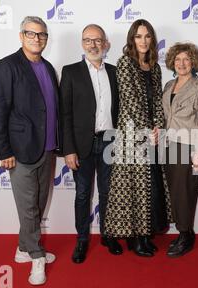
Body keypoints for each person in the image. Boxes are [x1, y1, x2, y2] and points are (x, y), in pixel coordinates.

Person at [0, 16, 59, 285]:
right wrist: (3, 150)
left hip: (47, 148)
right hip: (20, 150)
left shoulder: (48, 67)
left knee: (38, 203)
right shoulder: (6, 66)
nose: (37, 38)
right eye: (31, 33)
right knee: (28, 206)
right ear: (21, 36)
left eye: (41, 34)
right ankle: (36, 256)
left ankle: (22, 249)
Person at [104, 19, 171, 257]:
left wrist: (159, 127)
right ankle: (135, 238)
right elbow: (130, 101)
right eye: (138, 36)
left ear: (152, 39)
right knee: (133, 187)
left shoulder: (155, 66)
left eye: (147, 36)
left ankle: (144, 234)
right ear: (132, 39)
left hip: (152, 134)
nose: (143, 41)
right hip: (132, 134)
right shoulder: (124, 63)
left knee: (150, 186)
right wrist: (146, 131)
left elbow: (158, 102)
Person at [59, 24, 121, 263]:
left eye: (98, 40)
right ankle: (82, 240)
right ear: (82, 44)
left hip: (109, 142)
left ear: (105, 44)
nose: (93, 45)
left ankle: (108, 235)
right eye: (88, 40)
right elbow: (65, 114)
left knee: (107, 192)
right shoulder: (71, 72)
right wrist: (68, 149)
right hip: (81, 145)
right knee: (83, 194)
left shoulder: (115, 72)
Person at [162, 43, 198, 257]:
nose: (182, 64)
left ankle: (186, 235)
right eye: (178, 59)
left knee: (185, 193)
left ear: (193, 62)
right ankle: (183, 231)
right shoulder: (168, 85)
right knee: (174, 192)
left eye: (186, 59)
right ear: (173, 62)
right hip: (168, 146)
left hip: (189, 147)